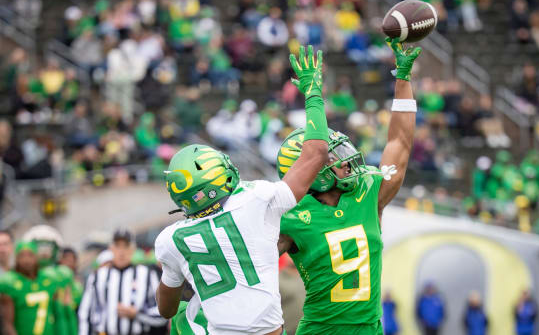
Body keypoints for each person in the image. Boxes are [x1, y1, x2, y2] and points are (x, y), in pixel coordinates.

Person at [154, 45, 329, 334]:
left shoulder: (169, 239)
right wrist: (312, 94)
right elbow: (316, 153)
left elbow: (166, 309)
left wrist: (176, 274)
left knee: (185, 316)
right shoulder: (255, 199)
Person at [277, 38, 421, 334]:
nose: (346, 162)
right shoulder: (289, 216)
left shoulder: (368, 191)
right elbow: (248, 266)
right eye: (335, 157)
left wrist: (403, 79)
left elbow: (400, 143)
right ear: (313, 171)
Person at [78, 229, 166, 335]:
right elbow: (85, 314)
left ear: (133, 249)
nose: (121, 251)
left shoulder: (147, 274)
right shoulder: (97, 276)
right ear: (111, 249)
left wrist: (138, 314)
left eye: (126, 246)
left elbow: (162, 313)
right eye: (117, 246)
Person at [23, 225, 77, 335]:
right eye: (40, 247)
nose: (44, 253)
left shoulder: (62, 274)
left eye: (48, 247)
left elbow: (67, 311)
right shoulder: (18, 278)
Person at [0, 241, 58, 335]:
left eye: (30, 255)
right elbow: (7, 324)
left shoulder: (48, 280)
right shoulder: (9, 282)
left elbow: (58, 315)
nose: (26, 260)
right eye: (21, 256)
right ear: (16, 259)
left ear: (36, 257)